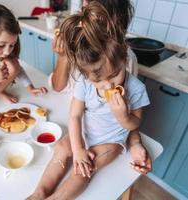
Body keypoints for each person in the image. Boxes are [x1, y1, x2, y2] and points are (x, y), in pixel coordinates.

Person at [27, 2, 150, 199]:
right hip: (85, 132)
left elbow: (135, 123)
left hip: (111, 141)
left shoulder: (136, 89)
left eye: (115, 75)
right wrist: (77, 150)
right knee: (61, 148)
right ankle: (39, 193)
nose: (108, 86)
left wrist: (123, 117)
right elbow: (75, 116)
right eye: (99, 82)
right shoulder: (84, 81)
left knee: (84, 169)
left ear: (123, 57)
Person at [51, 0, 152, 175]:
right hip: (72, 121)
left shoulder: (124, 60)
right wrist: (63, 56)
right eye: (84, 7)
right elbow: (58, 87)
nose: (84, 14)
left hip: (104, 134)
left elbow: (129, 108)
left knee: (82, 173)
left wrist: (135, 143)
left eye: (91, 10)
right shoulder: (79, 46)